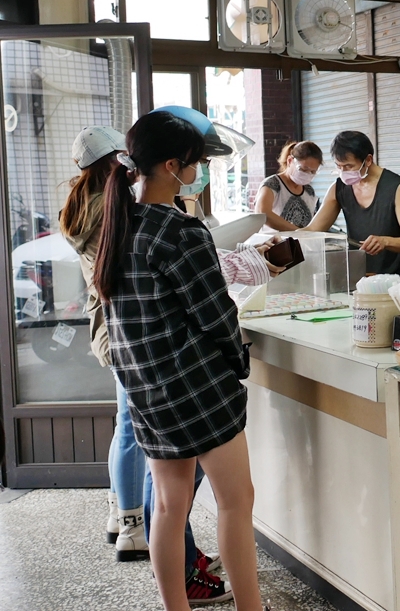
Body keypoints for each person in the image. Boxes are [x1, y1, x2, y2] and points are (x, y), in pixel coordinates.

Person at [94, 111, 268, 611]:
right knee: (236, 502)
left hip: (146, 392)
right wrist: (238, 362)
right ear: (173, 165)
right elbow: (217, 316)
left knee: (169, 506)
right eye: (194, 163)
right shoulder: (181, 232)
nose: (199, 171)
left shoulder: (118, 227)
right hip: (198, 391)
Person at [62, 127, 145, 558]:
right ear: (114, 161)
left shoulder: (81, 205)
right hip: (124, 328)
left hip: (106, 330)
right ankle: (134, 527)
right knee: (133, 427)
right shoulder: (110, 209)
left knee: (125, 423)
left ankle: (119, 511)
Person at [305, 130, 400, 277]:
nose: (343, 172)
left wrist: (385, 241)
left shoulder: (397, 187)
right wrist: (284, 240)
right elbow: (312, 230)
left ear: (368, 160)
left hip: (395, 282)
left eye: (348, 166)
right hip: (358, 279)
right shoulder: (338, 188)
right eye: (338, 166)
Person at [255, 141, 322, 231]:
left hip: (302, 243)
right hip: (274, 243)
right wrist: (297, 231)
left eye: (313, 172)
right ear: (290, 161)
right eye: (303, 169)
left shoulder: (309, 191)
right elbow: (262, 213)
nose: (307, 174)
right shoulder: (272, 185)